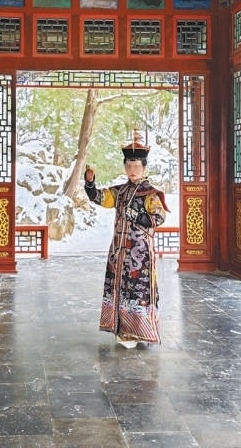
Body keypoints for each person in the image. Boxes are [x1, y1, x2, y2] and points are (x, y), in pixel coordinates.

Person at [83, 132, 169, 349]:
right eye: (129, 165)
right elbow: (98, 197)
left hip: (139, 254)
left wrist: (137, 216)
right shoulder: (120, 191)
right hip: (119, 251)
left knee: (137, 292)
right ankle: (122, 330)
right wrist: (90, 183)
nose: (132, 170)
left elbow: (159, 217)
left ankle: (139, 331)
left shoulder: (150, 194)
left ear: (144, 168)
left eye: (136, 166)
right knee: (119, 290)